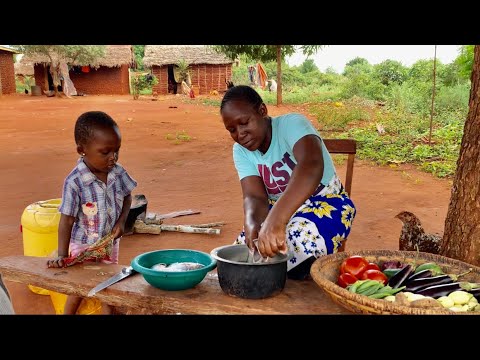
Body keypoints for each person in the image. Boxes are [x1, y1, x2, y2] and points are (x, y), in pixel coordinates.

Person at [220, 85, 356, 280]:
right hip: (277, 211)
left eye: (244, 123)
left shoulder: (292, 124)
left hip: (326, 204)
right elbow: (255, 196)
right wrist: (252, 225)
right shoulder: (241, 151)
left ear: (262, 111)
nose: (240, 134)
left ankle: (294, 297)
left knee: (297, 244)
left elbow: (311, 166)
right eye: (231, 130)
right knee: (243, 253)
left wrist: (275, 221)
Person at [47, 111, 137, 314]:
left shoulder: (118, 172)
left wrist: (122, 223)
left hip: (109, 243)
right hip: (83, 245)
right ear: (82, 150)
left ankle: (109, 312)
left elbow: (128, 197)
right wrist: (63, 255)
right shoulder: (75, 182)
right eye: (105, 152)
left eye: (117, 151)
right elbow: (66, 220)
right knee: (79, 286)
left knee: (108, 281)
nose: (113, 158)